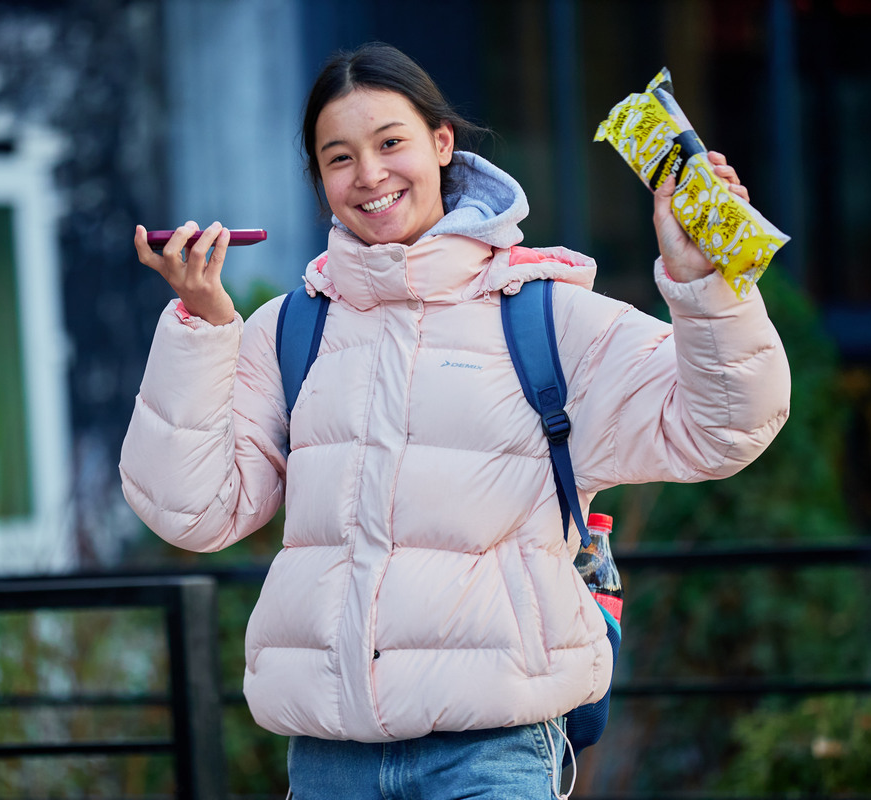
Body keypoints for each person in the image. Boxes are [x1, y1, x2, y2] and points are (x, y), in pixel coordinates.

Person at [121, 42, 790, 800]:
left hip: (493, 751)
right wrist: (203, 327)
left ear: (442, 143)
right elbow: (194, 510)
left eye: (390, 143)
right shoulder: (290, 329)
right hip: (331, 760)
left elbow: (724, 427)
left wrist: (705, 284)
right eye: (339, 157)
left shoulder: (546, 312)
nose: (369, 174)